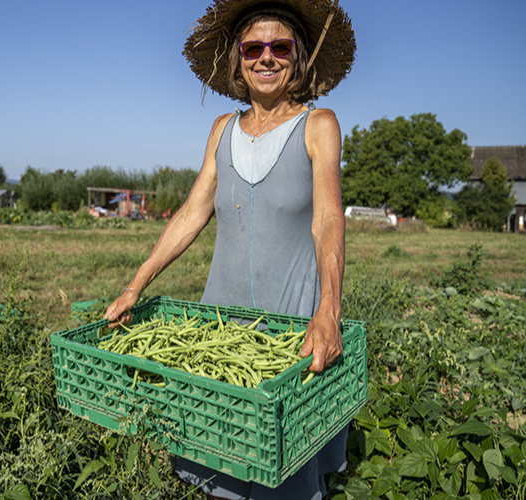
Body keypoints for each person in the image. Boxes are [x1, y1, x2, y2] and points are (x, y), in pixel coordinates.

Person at [103, 0, 356, 498]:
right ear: (238, 60)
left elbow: (328, 219)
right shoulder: (221, 129)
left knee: (284, 464)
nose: (267, 57)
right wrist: (137, 282)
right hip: (219, 322)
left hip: (286, 325)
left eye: (279, 46)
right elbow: (192, 213)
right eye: (253, 47)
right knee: (222, 452)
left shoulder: (318, 124)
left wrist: (329, 309)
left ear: (298, 56)